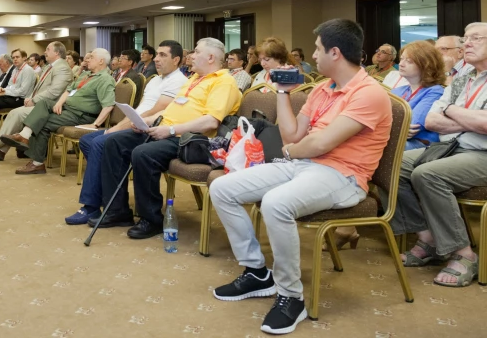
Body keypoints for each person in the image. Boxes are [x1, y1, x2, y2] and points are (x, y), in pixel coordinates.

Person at [210, 19, 391, 335]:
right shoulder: (323, 87)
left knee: (275, 203)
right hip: (303, 164)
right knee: (223, 187)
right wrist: (282, 92)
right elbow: (290, 133)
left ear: (335, 52)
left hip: (343, 175)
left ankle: (291, 297)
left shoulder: (369, 93)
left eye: (319, 49)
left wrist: (294, 150)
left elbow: (320, 143)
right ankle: (256, 271)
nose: (314, 56)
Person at [92, 38, 241, 239]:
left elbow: (211, 122)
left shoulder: (224, 82)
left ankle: (151, 219)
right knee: (114, 142)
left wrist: (170, 130)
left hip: (190, 139)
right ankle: (117, 211)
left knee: (143, 153)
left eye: (196, 52)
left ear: (211, 57)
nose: (191, 56)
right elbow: (171, 109)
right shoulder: (194, 78)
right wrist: (145, 120)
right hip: (164, 130)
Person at [392, 22, 487, 287]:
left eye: (475, 38)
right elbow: (433, 119)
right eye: (465, 39)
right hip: (451, 147)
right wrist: (468, 118)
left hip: (482, 152)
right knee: (393, 165)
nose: (467, 43)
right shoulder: (464, 78)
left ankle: (464, 254)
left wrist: (454, 112)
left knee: (428, 174)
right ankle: (428, 239)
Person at [330, 41, 446, 251]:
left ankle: (349, 226)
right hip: (393, 143)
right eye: (402, 59)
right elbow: (383, 121)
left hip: (421, 146)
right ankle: (350, 225)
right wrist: (391, 125)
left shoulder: (434, 91)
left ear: (426, 64)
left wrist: (387, 125)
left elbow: (413, 125)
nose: (402, 64)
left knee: (372, 162)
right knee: (354, 157)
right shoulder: (399, 89)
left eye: (409, 60)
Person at [65, 41, 188, 225]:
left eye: (163, 55)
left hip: (149, 130)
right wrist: (117, 126)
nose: (156, 59)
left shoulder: (179, 81)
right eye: (157, 54)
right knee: (88, 141)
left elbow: (154, 112)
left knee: (100, 143)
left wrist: (114, 130)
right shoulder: (155, 80)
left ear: (176, 59)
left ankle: (92, 206)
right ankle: (110, 197)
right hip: (135, 124)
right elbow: (138, 110)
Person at [1, 48, 116, 175]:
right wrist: (60, 103)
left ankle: (36, 163)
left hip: (81, 115)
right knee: (44, 102)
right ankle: (25, 135)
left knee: (42, 123)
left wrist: (95, 125)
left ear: (101, 61)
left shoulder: (105, 79)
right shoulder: (86, 74)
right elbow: (68, 90)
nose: (87, 59)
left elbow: (109, 105)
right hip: (67, 109)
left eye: (91, 57)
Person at [0, 42, 74, 160]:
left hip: (50, 106)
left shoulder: (62, 68)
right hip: (40, 103)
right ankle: (0, 150)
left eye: (47, 49)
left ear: (57, 52)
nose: (44, 52)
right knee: (14, 113)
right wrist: (30, 98)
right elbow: (38, 88)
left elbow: (54, 92)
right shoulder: (50, 66)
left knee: (17, 113)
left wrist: (34, 100)